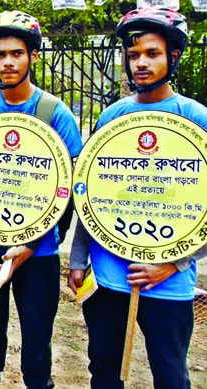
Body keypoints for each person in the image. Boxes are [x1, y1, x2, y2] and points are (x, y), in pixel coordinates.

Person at [67, 7, 205, 389]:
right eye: (133, 55)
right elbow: (92, 196)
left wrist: (175, 264)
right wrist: (78, 259)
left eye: (152, 53)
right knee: (105, 372)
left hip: (167, 282)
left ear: (173, 57)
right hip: (109, 279)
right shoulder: (111, 117)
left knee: (171, 375)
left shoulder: (197, 118)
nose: (141, 63)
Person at [0, 11, 82, 389]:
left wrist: (31, 243)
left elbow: (69, 188)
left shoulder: (54, 113)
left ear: (32, 56)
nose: (8, 62)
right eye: (0, 55)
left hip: (39, 251)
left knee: (36, 336)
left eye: (16, 53)